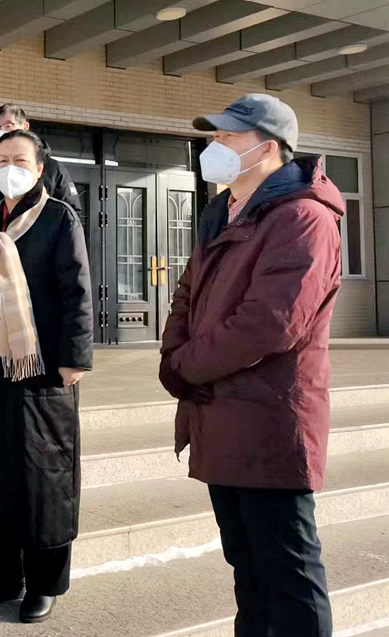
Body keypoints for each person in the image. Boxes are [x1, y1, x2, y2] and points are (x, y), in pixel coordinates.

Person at [160, 94, 344, 637]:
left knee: (288, 575)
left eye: (227, 136)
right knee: (248, 567)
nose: (213, 145)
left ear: (268, 148)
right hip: (222, 415)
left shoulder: (303, 217)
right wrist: (173, 356)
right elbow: (186, 297)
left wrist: (186, 367)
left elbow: (270, 323)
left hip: (270, 421)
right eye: (214, 135)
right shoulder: (223, 213)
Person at [0, 129, 93, 624]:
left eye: (21, 160)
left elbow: (76, 292)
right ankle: (4, 574)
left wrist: (75, 357)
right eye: (2, 159)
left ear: (40, 168)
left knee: (42, 472)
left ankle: (44, 582)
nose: (10, 167)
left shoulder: (58, 218)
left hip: (40, 367)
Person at [0, 104, 81, 240]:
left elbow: (71, 217)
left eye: (8, 126)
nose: (1, 132)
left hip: (38, 246)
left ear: (25, 127)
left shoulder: (52, 169)